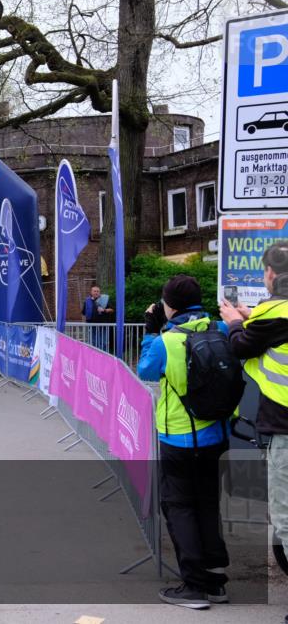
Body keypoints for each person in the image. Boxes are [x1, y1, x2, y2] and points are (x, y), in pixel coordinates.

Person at [137, 274, 233, 610]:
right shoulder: (219, 329)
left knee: (179, 506)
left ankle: (194, 586)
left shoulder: (167, 340)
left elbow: (145, 371)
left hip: (179, 436)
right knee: (207, 504)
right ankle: (216, 581)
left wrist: (151, 331)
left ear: (170, 305)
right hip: (217, 434)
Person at [219, 240, 288, 616]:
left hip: (286, 432)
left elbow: (242, 346)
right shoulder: (272, 317)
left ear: (273, 275)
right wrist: (250, 318)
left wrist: (234, 321)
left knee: (287, 519)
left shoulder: (272, 313)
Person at [83, 283, 114, 353]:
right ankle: (94, 358)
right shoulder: (87, 301)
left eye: (97, 291)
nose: (96, 292)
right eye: (94, 291)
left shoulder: (105, 299)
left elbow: (112, 309)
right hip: (92, 325)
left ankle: (104, 358)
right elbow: (84, 312)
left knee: (104, 343)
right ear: (91, 292)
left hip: (104, 325)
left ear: (100, 292)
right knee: (93, 343)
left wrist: (105, 310)